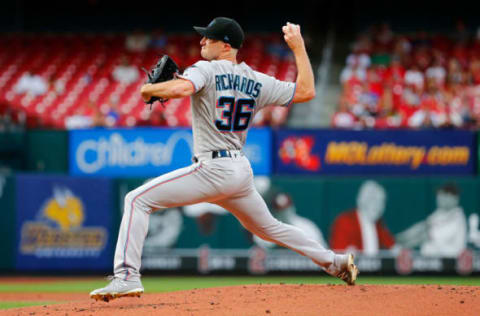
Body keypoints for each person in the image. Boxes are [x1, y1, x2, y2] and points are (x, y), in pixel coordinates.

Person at [90, 17, 358, 302]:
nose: (202, 41)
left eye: (209, 37)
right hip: (239, 171)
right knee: (269, 228)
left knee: (136, 199)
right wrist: (299, 47)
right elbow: (306, 91)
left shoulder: (205, 68)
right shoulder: (256, 79)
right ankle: (336, 262)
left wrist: (149, 89)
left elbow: (182, 89)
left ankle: (127, 277)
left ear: (225, 44)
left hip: (213, 168)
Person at [330, 180, 395, 255]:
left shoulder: (379, 225)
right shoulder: (344, 222)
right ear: (362, 200)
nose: (378, 207)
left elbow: (392, 246)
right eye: (374, 201)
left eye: (381, 202)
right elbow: (337, 254)